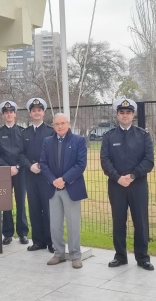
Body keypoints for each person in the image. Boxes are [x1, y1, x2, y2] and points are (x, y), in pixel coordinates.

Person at [100, 99, 154, 271]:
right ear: (117, 115)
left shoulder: (143, 135)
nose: (125, 115)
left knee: (141, 221)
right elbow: (105, 160)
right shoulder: (109, 136)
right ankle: (120, 256)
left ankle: (143, 257)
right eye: (122, 113)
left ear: (133, 114)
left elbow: (149, 161)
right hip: (116, 185)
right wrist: (118, 178)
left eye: (128, 112)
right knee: (118, 221)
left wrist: (132, 176)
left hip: (137, 184)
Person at [40, 113, 87, 269]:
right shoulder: (47, 142)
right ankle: (58, 254)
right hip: (53, 188)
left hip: (71, 187)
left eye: (63, 123)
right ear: (53, 126)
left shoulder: (79, 141)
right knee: (55, 224)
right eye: (57, 124)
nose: (60, 126)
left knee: (73, 223)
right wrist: (54, 180)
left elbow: (80, 164)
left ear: (68, 124)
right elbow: (43, 164)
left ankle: (75, 256)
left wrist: (64, 179)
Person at [19, 98, 55, 253]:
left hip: (46, 177)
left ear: (43, 112)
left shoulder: (50, 131)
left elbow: (53, 154)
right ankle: (38, 241)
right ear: (30, 113)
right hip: (30, 176)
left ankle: (51, 242)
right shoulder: (24, 133)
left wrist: (42, 166)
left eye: (39, 110)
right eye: (34, 110)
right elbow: (20, 154)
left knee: (48, 210)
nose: (37, 113)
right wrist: (29, 165)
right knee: (34, 209)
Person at [0, 101, 29, 245]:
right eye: (6, 112)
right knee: (6, 203)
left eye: (11, 112)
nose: (9, 115)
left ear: (15, 114)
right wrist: (7, 167)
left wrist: (17, 167)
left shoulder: (22, 132)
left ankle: (23, 233)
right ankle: (7, 233)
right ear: (3, 115)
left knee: (20, 202)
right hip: (4, 172)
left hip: (20, 171)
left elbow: (25, 152)